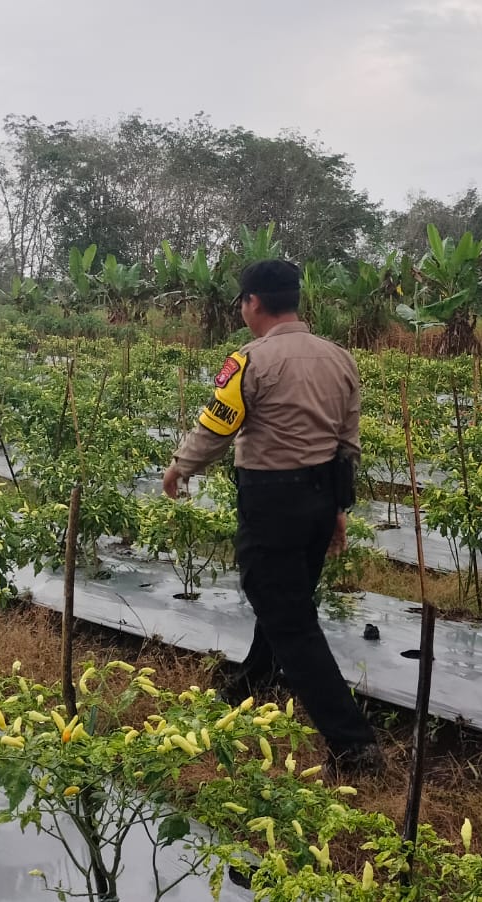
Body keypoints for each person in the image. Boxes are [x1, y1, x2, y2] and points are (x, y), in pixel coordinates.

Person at [162, 259, 384, 777]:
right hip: (321, 495)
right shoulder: (340, 358)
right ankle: (254, 678)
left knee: (287, 614)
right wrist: (338, 510)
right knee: (288, 597)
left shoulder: (248, 362)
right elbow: (347, 443)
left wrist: (180, 467)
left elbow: (217, 428)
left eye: (242, 302)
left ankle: (353, 744)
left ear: (253, 303)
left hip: (273, 499)